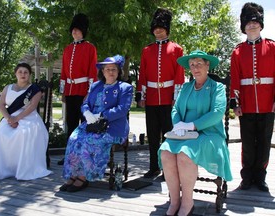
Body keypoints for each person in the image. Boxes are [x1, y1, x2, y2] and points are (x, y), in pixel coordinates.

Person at [159, 50, 233, 216]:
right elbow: (175, 109)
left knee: (185, 155)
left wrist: (192, 125)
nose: (195, 67)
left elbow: (217, 113)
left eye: (199, 63)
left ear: (207, 65)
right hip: (183, 133)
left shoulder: (218, 87)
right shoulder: (186, 87)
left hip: (209, 134)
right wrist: (178, 124)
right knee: (166, 153)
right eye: (192, 64)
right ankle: (175, 201)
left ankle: (187, 203)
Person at [59, 55, 133, 193]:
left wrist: (101, 116)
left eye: (114, 69)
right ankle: (73, 175)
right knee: (74, 139)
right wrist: (87, 113)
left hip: (112, 127)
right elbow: (86, 103)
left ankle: (84, 176)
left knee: (89, 141)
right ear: (102, 71)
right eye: (108, 69)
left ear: (118, 72)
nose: (111, 72)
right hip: (92, 123)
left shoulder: (125, 87)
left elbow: (122, 109)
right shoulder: (95, 86)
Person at [230, 2, 275, 192]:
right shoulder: (237, 51)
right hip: (247, 105)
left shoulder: (273, 47)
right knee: (247, 143)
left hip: (267, 104)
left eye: (255, 22)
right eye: (248, 23)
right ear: (243, 27)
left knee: (264, 142)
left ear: (261, 24)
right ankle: (247, 177)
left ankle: (260, 177)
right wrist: (235, 103)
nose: (252, 25)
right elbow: (235, 80)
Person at [137, 8, 185, 178]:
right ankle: (153, 167)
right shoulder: (146, 50)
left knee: (168, 135)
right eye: (156, 27)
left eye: (161, 27)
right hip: (151, 98)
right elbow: (142, 74)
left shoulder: (176, 49)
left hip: (167, 99)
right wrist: (141, 96)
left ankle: (168, 169)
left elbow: (179, 75)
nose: (158, 30)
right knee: (152, 134)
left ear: (167, 29)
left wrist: (176, 98)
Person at [0, 63, 52, 180]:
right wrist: (9, 119)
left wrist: (16, 119)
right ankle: (5, 167)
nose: (23, 74)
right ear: (15, 73)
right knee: (2, 132)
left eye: (26, 72)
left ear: (29, 75)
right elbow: (1, 105)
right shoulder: (7, 87)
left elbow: (32, 107)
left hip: (29, 117)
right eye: (20, 72)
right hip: (10, 117)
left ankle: (22, 168)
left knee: (23, 132)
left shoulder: (34, 90)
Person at [58, 13, 98, 165]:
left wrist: (89, 92)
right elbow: (63, 72)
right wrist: (63, 91)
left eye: (78, 29)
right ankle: (70, 154)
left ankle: (84, 154)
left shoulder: (89, 48)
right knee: (71, 124)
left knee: (84, 125)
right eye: (73, 29)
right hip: (70, 90)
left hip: (83, 91)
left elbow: (92, 72)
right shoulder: (67, 49)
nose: (74, 32)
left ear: (83, 31)